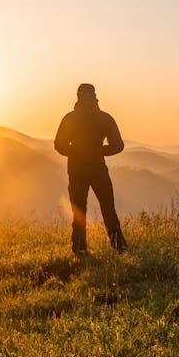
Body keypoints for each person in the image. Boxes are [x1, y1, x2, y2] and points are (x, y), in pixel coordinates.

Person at [54, 83, 126, 255]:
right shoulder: (104, 118)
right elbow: (118, 146)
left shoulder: (70, 118)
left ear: (77, 96)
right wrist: (98, 150)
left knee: (79, 212)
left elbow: (59, 145)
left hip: (77, 170)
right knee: (108, 210)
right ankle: (120, 248)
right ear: (95, 96)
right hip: (98, 169)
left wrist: (77, 152)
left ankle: (80, 250)